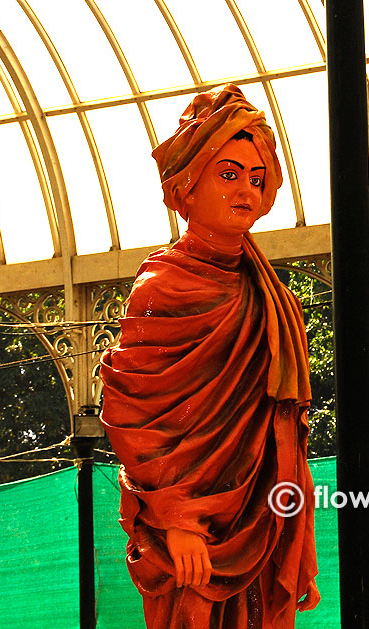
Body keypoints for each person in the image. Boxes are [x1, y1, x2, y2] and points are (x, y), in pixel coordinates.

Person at [100, 84, 319, 628]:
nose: (245, 189)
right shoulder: (160, 288)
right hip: (192, 535)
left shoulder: (276, 299)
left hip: (266, 519)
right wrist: (176, 516)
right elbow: (135, 419)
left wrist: (298, 542)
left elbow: (286, 429)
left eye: (256, 177)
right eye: (228, 173)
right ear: (186, 185)